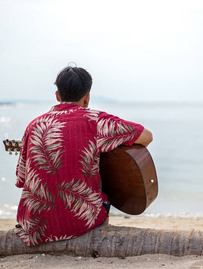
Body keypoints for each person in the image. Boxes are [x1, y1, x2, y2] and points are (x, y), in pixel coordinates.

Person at [14, 65, 153, 246]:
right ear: (87, 98)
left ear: (57, 96)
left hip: (35, 227)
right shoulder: (96, 121)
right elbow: (147, 137)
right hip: (80, 223)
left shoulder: (34, 126)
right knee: (100, 199)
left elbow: (21, 178)